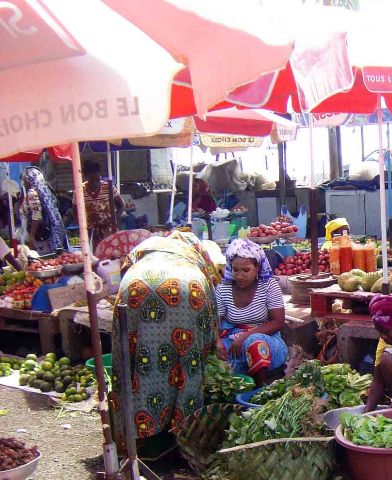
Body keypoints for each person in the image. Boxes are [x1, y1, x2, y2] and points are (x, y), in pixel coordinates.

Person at [109, 231, 220, 451]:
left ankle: (135, 436)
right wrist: (209, 348)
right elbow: (210, 325)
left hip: (134, 284)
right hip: (187, 288)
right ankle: (182, 433)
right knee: (187, 360)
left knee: (135, 356)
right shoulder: (195, 265)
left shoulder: (146, 251)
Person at [215, 238, 288, 386]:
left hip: (267, 339)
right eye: (235, 270)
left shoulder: (268, 285)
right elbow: (216, 322)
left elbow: (278, 322)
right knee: (213, 354)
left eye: (246, 270)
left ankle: (260, 389)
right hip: (233, 339)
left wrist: (246, 336)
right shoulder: (223, 289)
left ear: (257, 268)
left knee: (254, 343)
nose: (240, 276)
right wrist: (217, 342)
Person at [72, 160, 124, 249]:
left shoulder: (108, 187)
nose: (95, 183)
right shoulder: (79, 190)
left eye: (97, 180)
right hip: (90, 231)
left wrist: (113, 219)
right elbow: (74, 211)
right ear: (86, 177)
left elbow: (121, 206)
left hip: (109, 229)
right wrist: (82, 227)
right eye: (92, 181)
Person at [21, 167, 68, 253]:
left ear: (29, 179)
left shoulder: (32, 193)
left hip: (37, 236)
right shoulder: (45, 190)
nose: (23, 183)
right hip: (47, 233)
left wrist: (31, 236)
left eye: (24, 179)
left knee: (40, 259)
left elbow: (36, 216)